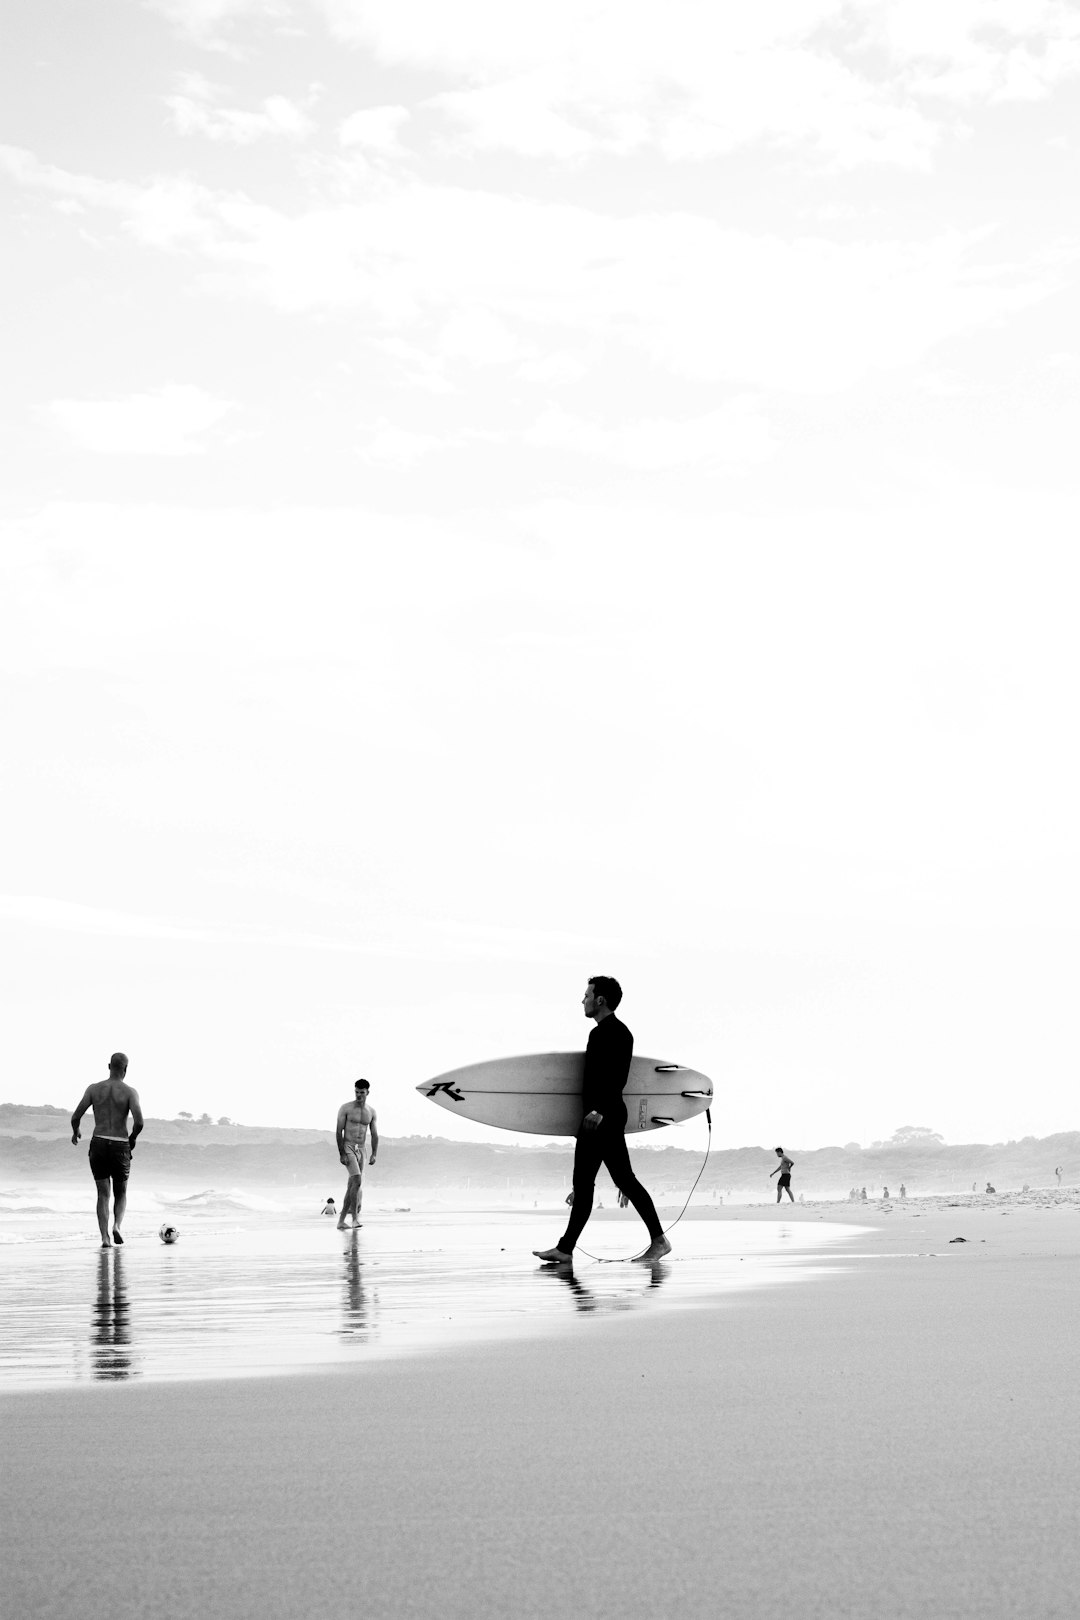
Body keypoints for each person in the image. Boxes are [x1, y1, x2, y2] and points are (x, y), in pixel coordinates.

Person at [533, 977, 669, 1265]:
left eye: (586, 995)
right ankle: (565, 1249)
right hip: (594, 1118)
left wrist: (598, 1111)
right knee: (583, 1185)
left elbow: (615, 1078)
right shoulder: (604, 1032)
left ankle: (659, 1241)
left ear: (600, 1000)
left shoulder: (614, 1033)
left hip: (603, 1117)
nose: (582, 1000)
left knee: (624, 1180)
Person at [71, 1053, 144, 1248]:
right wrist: (132, 1138)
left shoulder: (94, 1089)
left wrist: (75, 1130)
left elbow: (75, 1116)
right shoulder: (130, 1092)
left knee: (103, 1194)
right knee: (121, 1193)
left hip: (99, 1143)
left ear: (109, 1066)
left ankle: (104, 1238)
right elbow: (139, 1122)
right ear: (126, 1069)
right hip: (120, 1144)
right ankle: (117, 1226)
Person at [335, 1079, 378, 1230]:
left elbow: (374, 1134)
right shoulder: (345, 1108)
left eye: (362, 1092)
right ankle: (354, 1218)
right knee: (357, 1180)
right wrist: (342, 1153)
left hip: (362, 1149)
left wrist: (374, 1154)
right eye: (356, 1092)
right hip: (348, 1147)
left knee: (353, 1185)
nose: (359, 1095)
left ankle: (341, 1221)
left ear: (367, 1092)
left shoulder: (371, 1112)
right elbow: (338, 1131)